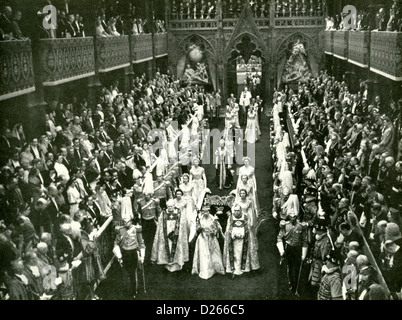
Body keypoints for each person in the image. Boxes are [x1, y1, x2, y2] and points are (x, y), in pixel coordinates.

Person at [151, 199, 189, 272]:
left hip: (176, 233)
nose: (170, 208)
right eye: (168, 206)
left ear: (174, 206)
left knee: (176, 247)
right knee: (168, 246)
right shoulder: (164, 213)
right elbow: (160, 224)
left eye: (171, 206)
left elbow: (182, 224)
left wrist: (177, 232)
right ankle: (168, 263)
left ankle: (177, 263)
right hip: (166, 234)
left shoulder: (178, 213)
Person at [223, 204, 260, 279]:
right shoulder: (230, 218)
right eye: (235, 211)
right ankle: (234, 271)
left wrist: (242, 234)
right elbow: (228, 229)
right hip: (233, 240)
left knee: (243, 254)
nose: (236, 212)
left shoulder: (245, 217)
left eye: (238, 211)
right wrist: (233, 234)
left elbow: (248, 228)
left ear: (241, 210)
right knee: (235, 255)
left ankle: (245, 269)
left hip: (243, 240)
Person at [113, 217, 145, 299]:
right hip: (124, 253)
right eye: (124, 222)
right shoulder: (120, 230)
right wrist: (119, 255)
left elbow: (141, 243)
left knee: (133, 272)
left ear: (131, 221)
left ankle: (134, 290)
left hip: (133, 253)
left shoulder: (136, 229)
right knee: (124, 272)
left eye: (127, 222)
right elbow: (116, 243)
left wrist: (142, 255)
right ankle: (126, 290)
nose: (126, 224)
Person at [192, 207, 225, 279]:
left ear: (209, 211)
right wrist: (200, 228)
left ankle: (215, 269)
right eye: (204, 211)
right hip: (202, 238)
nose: (205, 213)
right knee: (203, 254)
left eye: (206, 211)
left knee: (213, 253)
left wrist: (212, 232)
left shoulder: (213, 219)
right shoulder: (200, 218)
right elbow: (197, 228)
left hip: (211, 238)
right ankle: (205, 271)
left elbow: (216, 228)